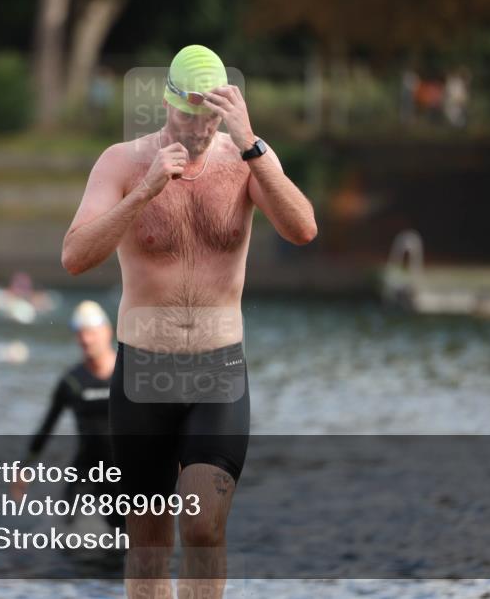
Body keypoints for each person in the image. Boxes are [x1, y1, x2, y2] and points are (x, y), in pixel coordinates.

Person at [62, 45, 317, 598]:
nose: (199, 128)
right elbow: (76, 256)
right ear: (166, 103)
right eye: (188, 114)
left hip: (217, 371)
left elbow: (303, 230)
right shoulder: (124, 162)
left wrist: (253, 145)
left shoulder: (244, 160)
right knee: (149, 540)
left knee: (202, 526)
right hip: (143, 374)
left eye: (210, 116)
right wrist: (147, 190)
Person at [12, 301, 123, 530]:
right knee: (66, 537)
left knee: (126, 542)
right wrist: (25, 467)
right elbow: (47, 426)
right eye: (80, 334)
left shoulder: (130, 374)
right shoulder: (71, 381)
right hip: (84, 470)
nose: (86, 340)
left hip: (123, 471)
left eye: (91, 333)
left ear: (107, 331)